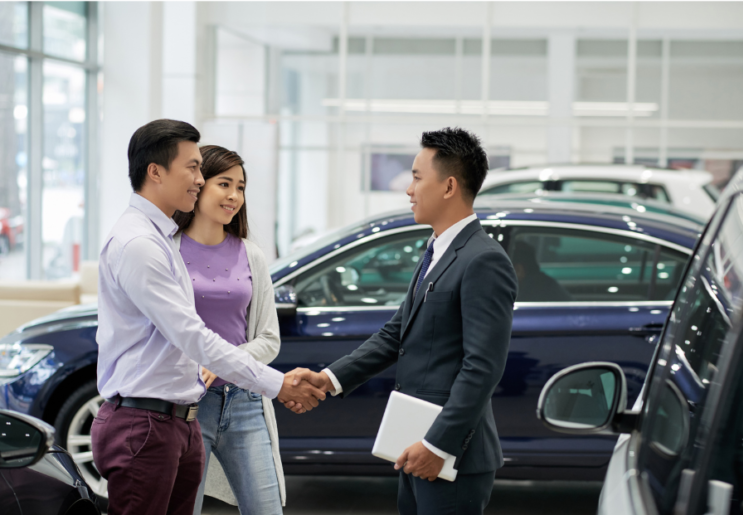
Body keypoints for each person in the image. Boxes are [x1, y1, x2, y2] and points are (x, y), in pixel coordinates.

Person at [91, 119, 324, 515]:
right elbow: (192, 336)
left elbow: (201, 337)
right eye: (194, 168)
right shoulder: (141, 245)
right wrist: (278, 384)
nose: (200, 179)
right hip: (146, 423)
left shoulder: (160, 239)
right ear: (156, 172)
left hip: (180, 419)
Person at [286, 127, 518, 514]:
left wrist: (437, 445)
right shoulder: (438, 249)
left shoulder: (483, 260)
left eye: (416, 177)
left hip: (449, 455)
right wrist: (328, 379)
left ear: (448, 187)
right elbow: (397, 334)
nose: (408, 190)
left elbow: (483, 367)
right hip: (416, 445)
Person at [170, 145, 285, 514]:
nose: (234, 195)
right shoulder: (166, 251)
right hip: (187, 404)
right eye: (224, 184)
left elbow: (269, 339)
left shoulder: (251, 254)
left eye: (241, 187)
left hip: (245, 401)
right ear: (199, 185)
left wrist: (221, 363)